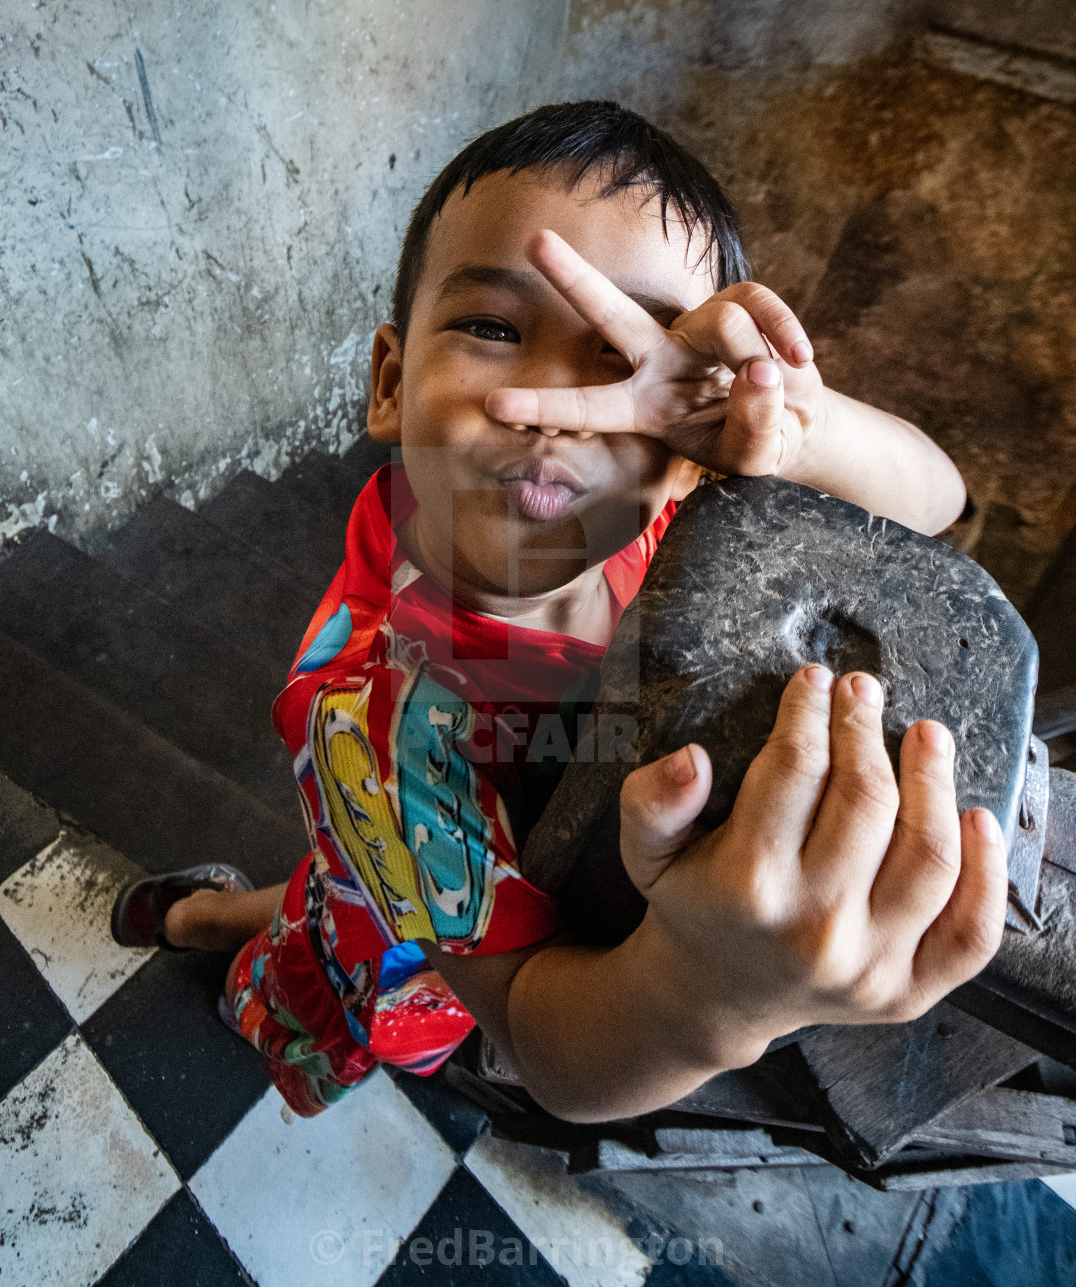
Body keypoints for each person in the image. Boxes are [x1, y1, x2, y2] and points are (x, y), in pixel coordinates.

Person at [111, 102, 1007, 1123]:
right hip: (424, 917)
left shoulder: (664, 514)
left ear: (684, 449)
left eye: (627, 362)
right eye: (493, 328)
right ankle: (206, 927)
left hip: (411, 862)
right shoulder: (382, 734)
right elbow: (550, 1050)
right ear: (392, 384)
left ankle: (206, 907)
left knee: (340, 880)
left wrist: (788, 424)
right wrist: (719, 998)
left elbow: (933, 502)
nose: (551, 405)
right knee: (317, 952)